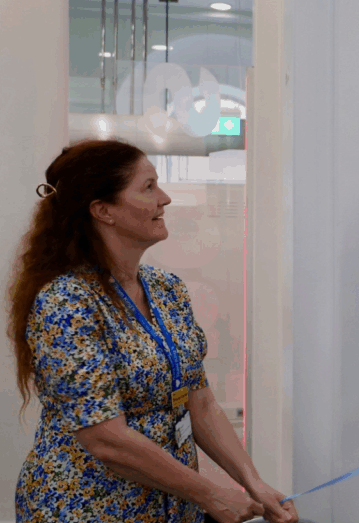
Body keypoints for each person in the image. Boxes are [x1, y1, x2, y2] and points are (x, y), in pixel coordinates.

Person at [7, 139, 299, 523]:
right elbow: (104, 438)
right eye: (148, 187)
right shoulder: (66, 302)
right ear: (103, 210)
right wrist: (211, 494)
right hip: (87, 508)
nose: (165, 199)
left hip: (171, 507)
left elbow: (200, 402)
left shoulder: (167, 289)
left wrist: (253, 483)